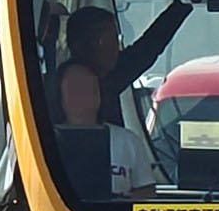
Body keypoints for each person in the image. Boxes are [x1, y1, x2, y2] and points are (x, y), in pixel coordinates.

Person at [67, 0, 192, 128]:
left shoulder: (50, 86)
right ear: (101, 42)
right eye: (116, 38)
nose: (118, 47)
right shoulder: (108, 81)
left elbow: (148, 47)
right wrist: (183, 4)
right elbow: (149, 46)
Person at [55, 59, 156, 199]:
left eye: (89, 86)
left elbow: (147, 191)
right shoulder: (45, 140)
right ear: (59, 94)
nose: (83, 93)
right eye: (75, 87)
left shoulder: (128, 141)